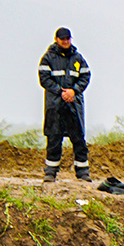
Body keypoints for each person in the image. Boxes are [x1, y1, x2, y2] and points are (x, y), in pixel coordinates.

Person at [38, 27, 91, 182]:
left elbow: (85, 76)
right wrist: (61, 92)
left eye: (68, 39)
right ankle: (50, 173)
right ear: (56, 39)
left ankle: (83, 173)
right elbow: (44, 78)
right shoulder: (48, 58)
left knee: (78, 139)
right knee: (54, 138)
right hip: (54, 105)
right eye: (63, 39)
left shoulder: (78, 58)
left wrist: (74, 91)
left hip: (74, 105)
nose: (66, 42)